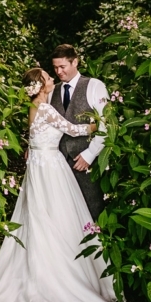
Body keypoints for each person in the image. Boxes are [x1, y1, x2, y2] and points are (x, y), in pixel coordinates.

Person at [0, 66, 140, 302]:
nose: (53, 79)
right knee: (57, 218)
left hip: (38, 164)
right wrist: (97, 124)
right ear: (41, 86)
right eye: (48, 78)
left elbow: (37, 137)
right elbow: (71, 129)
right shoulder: (45, 108)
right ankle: (58, 276)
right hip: (49, 168)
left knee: (40, 216)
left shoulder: (34, 108)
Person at [48, 44, 109, 222]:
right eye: (55, 67)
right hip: (58, 165)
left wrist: (90, 154)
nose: (58, 72)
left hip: (87, 163)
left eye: (62, 67)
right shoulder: (53, 91)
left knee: (92, 210)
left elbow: (106, 123)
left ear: (75, 62)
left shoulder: (94, 86)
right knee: (63, 216)